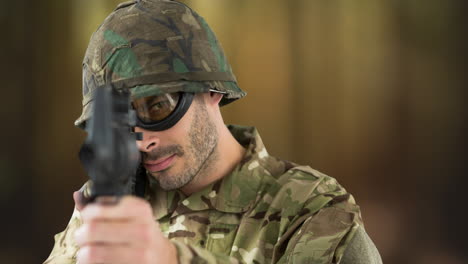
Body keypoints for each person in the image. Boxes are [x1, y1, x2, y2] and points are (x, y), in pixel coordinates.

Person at [44, 0, 382, 263]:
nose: (143, 141)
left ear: (212, 91)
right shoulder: (116, 200)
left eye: (156, 107)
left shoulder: (310, 210)